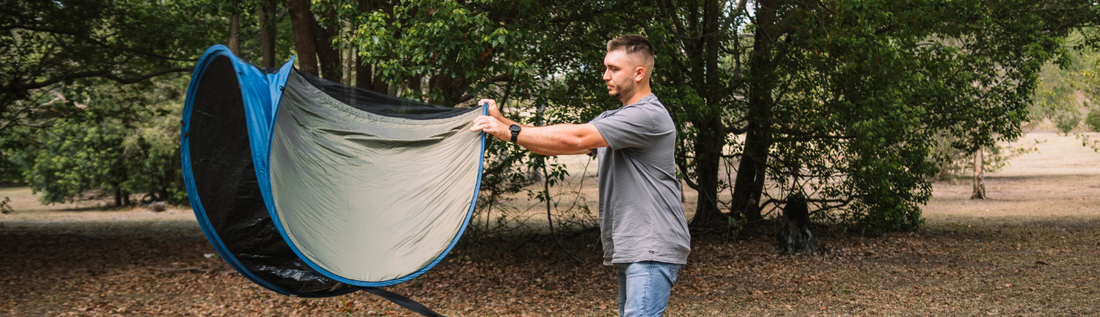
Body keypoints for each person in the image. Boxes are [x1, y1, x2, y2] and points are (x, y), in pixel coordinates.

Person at [470, 34, 691, 317]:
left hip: (651, 244)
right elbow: (557, 143)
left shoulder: (646, 116)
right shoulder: (615, 119)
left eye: (614, 69)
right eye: (605, 67)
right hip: (636, 245)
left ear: (639, 73)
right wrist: (504, 122)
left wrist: (509, 132)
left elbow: (575, 138)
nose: (605, 76)